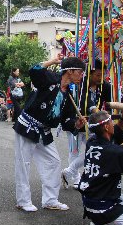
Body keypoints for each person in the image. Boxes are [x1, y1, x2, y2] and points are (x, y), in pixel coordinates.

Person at [13, 54, 86, 212]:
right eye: (80, 72)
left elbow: (67, 120)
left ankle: (50, 200)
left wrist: (76, 123)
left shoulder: (69, 95)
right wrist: (52, 61)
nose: (81, 76)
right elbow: (34, 71)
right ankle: (23, 200)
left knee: (54, 162)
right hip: (28, 125)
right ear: (70, 71)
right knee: (23, 163)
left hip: (44, 131)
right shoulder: (50, 79)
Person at [62, 60, 112, 189]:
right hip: (76, 121)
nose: (100, 78)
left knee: (94, 148)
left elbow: (111, 100)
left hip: (93, 124)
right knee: (74, 151)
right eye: (97, 75)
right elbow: (85, 99)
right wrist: (96, 111)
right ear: (89, 75)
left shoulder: (105, 86)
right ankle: (76, 179)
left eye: (102, 75)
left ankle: (69, 172)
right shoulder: (80, 84)